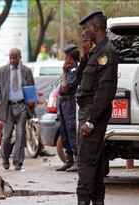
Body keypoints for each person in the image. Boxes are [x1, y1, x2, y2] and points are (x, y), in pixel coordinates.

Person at [75, 11, 118, 205]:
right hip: (87, 112)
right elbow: (80, 82)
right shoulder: (95, 52)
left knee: (85, 162)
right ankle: (97, 200)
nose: (84, 33)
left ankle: (83, 201)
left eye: (86, 28)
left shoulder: (106, 52)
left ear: (96, 27)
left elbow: (105, 90)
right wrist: (84, 57)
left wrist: (91, 121)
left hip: (92, 114)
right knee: (95, 162)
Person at [0, 48, 36, 171]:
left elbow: (31, 88)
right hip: (7, 107)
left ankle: (18, 162)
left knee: (21, 135)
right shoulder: (1, 71)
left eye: (15, 58)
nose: (12, 60)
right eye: (10, 58)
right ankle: (5, 158)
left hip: (21, 106)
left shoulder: (26, 71)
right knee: (6, 136)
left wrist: (31, 101)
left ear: (20, 58)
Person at [56, 44, 80, 172]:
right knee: (64, 131)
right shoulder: (70, 70)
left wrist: (64, 72)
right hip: (63, 103)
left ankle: (77, 160)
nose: (65, 60)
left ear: (71, 58)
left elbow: (65, 88)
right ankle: (69, 159)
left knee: (71, 129)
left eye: (67, 57)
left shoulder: (74, 70)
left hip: (70, 102)